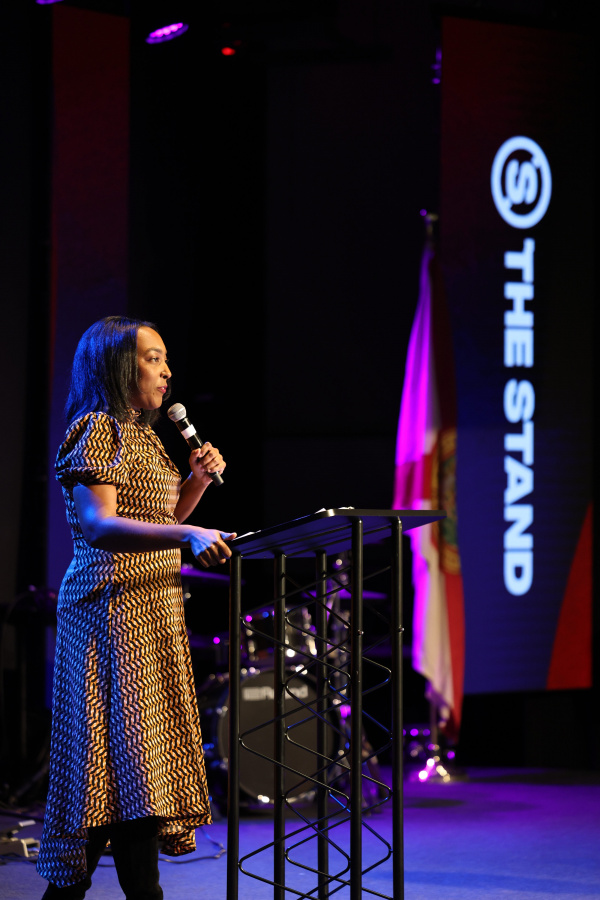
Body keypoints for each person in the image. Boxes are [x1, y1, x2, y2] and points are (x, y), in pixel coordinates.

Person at [37, 316, 236, 899]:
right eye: (153, 359)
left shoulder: (145, 436)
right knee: (119, 763)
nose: (167, 371)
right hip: (109, 612)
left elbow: (159, 520)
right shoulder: (97, 428)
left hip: (153, 612)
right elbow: (100, 525)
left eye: (165, 359)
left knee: (136, 769)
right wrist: (188, 534)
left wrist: (195, 483)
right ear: (117, 365)